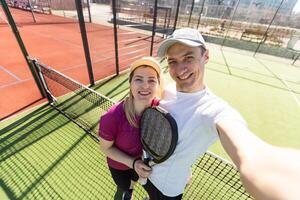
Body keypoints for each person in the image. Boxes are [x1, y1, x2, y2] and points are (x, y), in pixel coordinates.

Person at [142, 27, 300, 200]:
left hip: (168, 191)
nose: (180, 70)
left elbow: (251, 152)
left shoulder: (215, 110)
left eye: (188, 58)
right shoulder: (166, 90)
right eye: (172, 61)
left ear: (206, 56)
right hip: (146, 175)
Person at [99, 57, 162, 200]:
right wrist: (133, 163)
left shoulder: (161, 109)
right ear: (130, 83)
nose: (145, 86)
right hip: (120, 166)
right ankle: (129, 192)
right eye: (139, 79)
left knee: (138, 181)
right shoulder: (112, 117)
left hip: (143, 162)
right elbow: (105, 148)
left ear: (158, 85)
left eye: (152, 80)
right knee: (126, 187)